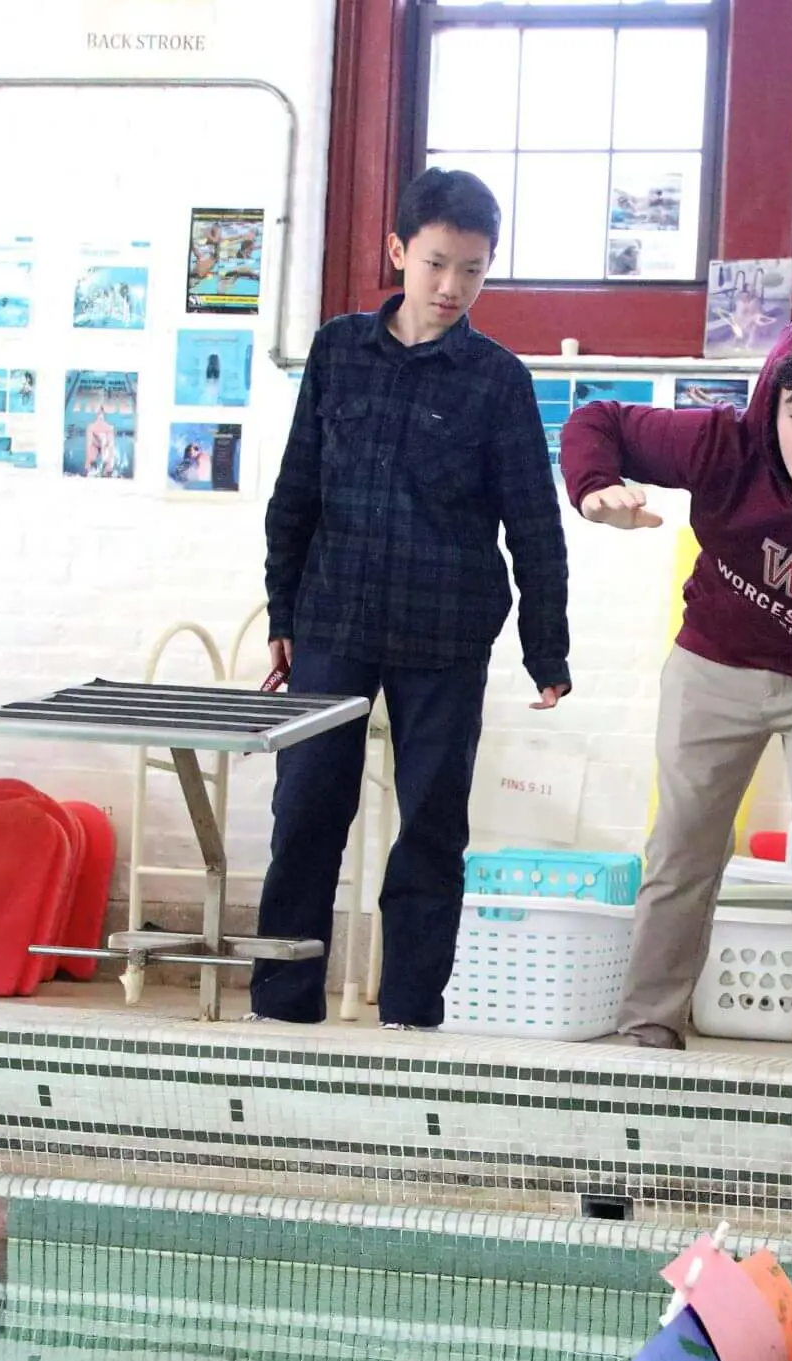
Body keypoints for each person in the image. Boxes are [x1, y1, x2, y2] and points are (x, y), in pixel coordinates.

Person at [252, 166, 569, 1030]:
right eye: (436, 263)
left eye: (472, 268)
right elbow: (295, 493)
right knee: (307, 813)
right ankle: (281, 1009)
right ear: (398, 251)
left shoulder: (498, 379)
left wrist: (549, 648)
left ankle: (410, 1013)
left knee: (432, 827)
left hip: (446, 633)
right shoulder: (337, 351)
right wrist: (283, 614)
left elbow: (533, 524)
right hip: (334, 621)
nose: (451, 287)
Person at [559, 316, 792, 1062]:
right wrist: (595, 490)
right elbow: (597, 418)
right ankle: (648, 1029)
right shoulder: (722, 445)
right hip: (715, 666)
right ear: (770, 414)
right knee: (682, 847)